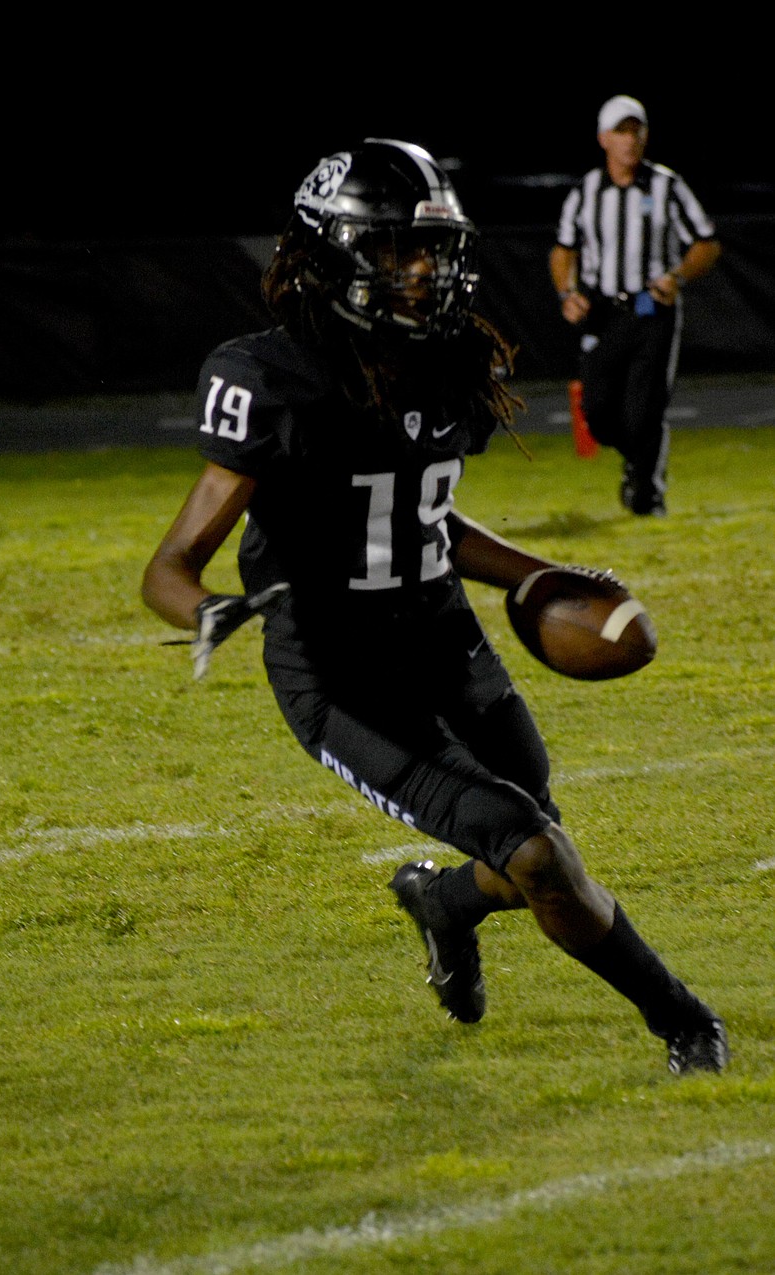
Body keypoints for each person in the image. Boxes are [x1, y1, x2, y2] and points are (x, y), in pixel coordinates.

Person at [141, 137, 728, 1075]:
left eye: (433, 248)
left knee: (533, 850)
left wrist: (536, 573)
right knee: (535, 854)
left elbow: (423, 514)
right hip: (340, 677)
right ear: (330, 252)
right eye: (396, 249)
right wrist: (207, 608)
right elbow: (170, 563)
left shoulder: (447, 355)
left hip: (447, 646)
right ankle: (686, 1022)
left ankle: (443, 902)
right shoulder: (271, 376)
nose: (423, 270)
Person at [549, 95, 722, 516]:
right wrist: (567, 293)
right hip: (603, 310)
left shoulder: (667, 185)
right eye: (621, 131)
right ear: (603, 138)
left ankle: (647, 494)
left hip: (650, 306)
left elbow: (706, 242)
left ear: (645, 136)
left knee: (644, 410)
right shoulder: (586, 191)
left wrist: (677, 277)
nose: (629, 140)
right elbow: (563, 249)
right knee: (596, 410)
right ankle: (638, 460)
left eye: (636, 130)